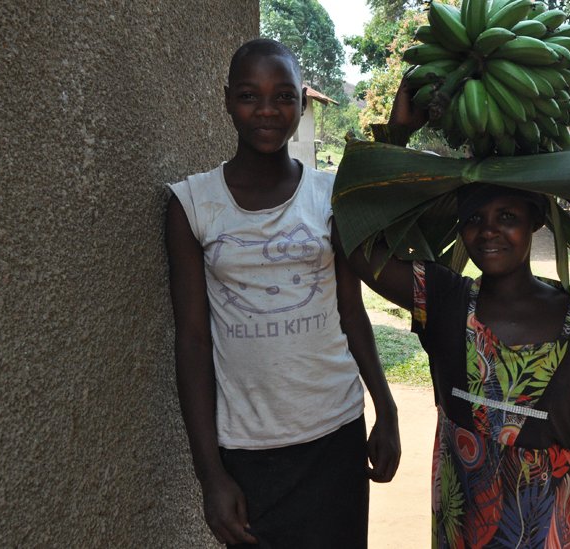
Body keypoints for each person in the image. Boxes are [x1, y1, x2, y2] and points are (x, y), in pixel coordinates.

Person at [344, 86, 570, 548]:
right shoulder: (443, 300)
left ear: (536, 221)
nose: (490, 232)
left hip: (559, 532)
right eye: (475, 218)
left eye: (507, 216)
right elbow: (354, 240)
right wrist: (398, 132)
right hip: (466, 532)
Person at [165, 38, 400, 548]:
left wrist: (387, 407)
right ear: (227, 99)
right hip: (248, 449)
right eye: (250, 96)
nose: (268, 111)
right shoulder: (192, 206)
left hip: (334, 434)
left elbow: (351, 310)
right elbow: (191, 342)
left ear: (301, 102)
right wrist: (210, 476)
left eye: (284, 96)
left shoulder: (329, 196)